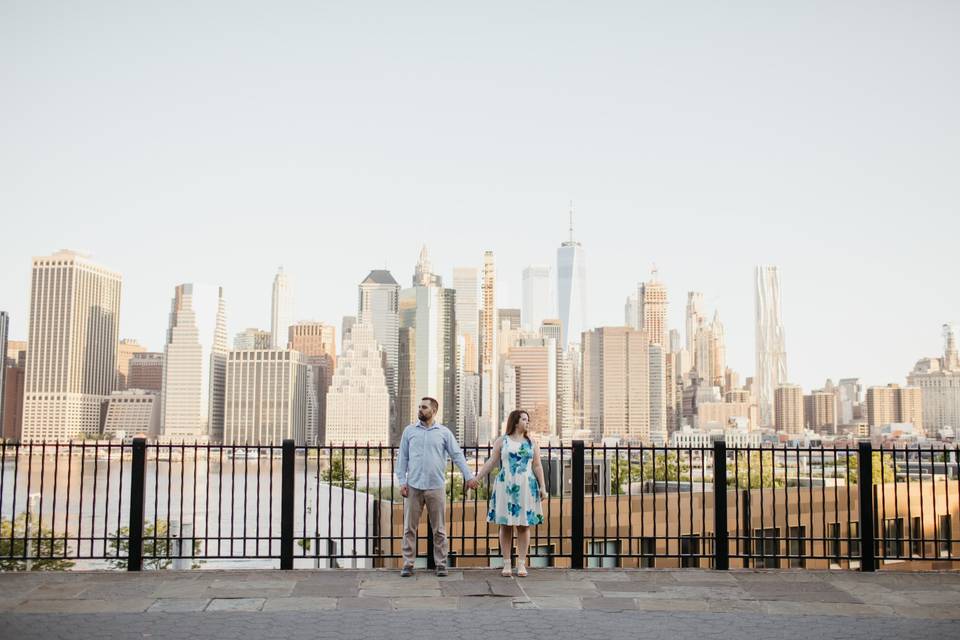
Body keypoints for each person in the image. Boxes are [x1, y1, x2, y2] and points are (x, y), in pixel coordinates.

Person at [395, 396, 478, 577]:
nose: (420, 410)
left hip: (436, 487)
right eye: (419, 406)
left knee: (439, 529)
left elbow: (457, 455)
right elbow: (402, 459)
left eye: (424, 407)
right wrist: (402, 482)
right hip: (413, 486)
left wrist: (469, 477)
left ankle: (441, 564)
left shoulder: (444, 432)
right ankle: (408, 564)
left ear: (433, 410)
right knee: (409, 528)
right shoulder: (409, 432)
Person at [473, 409, 548, 577]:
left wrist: (542, 486)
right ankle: (506, 563)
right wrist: (477, 478)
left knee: (523, 525)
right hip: (505, 485)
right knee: (505, 525)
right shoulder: (502, 441)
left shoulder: (532, 443)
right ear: (515, 422)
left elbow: (537, 465)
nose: (527, 422)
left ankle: (521, 564)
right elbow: (492, 462)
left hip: (526, 486)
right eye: (524, 419)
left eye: (528, 420)